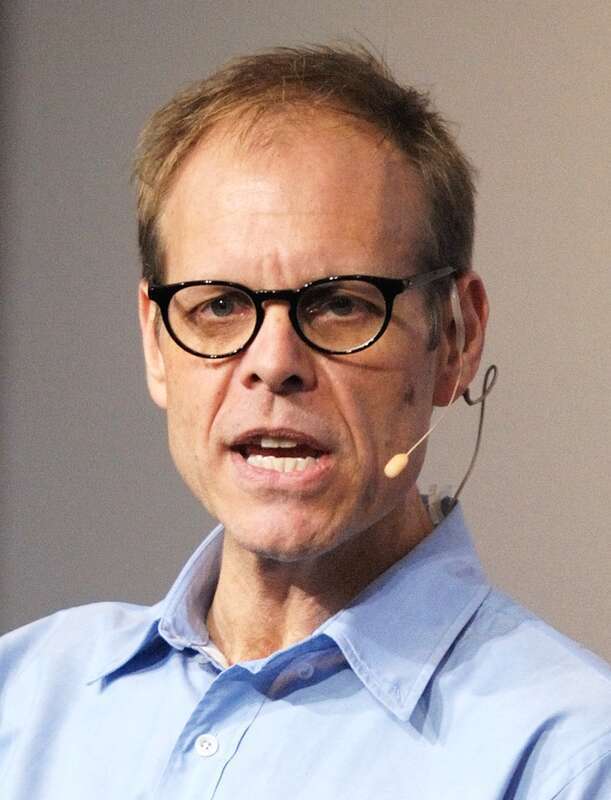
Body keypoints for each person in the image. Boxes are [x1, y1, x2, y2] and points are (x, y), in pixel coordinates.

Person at [1, 45, 609, 799]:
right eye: (219, 305)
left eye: (341, 303)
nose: (273, 362)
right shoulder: (24, 701)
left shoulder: (567, 754)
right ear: (157, 344)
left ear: (454, 337)